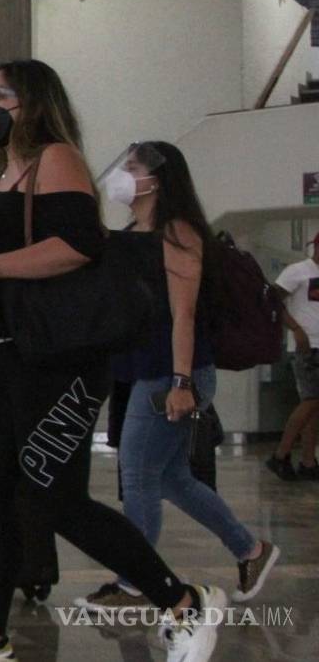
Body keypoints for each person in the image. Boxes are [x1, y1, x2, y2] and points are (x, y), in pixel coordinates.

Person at [0, 60, 225, 662]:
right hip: (10, 359)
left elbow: (79, 245)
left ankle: (184, 603)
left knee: (55, 500)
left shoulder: (56, 158)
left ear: (32, 102)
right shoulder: (5, 174)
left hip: (60, 364)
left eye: (1, 94)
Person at [79, 142, 278, 614]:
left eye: (133, 168)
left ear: (157, 179)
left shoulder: (178, 232)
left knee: (138, 477)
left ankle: (134, 585)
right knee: (172, 479)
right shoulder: (133, 233)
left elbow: (183, 314)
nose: (123, 175)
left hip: (171, 375)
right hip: (147, 372)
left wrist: (181, 383)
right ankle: (251, 550)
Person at [267, 234, 319, 481]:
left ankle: (308, 461)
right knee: (311, 400)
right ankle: (280, 455)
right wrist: (296, 329)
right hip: (308, 347)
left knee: (314, 406)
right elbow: (272, 300)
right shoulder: (298, 271)